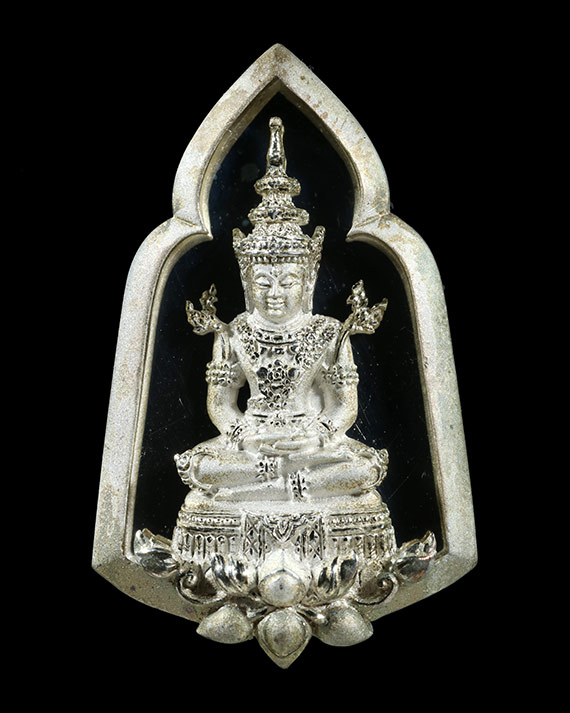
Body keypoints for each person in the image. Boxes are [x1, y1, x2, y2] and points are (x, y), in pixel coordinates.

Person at [175, 117, 388, 505]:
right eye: (263, 282)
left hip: (309, 443)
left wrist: (317, 435)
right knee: (200, 467)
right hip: (252, 444)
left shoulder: (329, 332)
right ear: (247, 281)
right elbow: (221, 404)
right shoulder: (233, 332)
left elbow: (344, 407)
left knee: (365, 469)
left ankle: (269, 487)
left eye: (287, 282)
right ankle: (284, 484)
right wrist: (243, 435)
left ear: (307, 281)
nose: (274, 293)